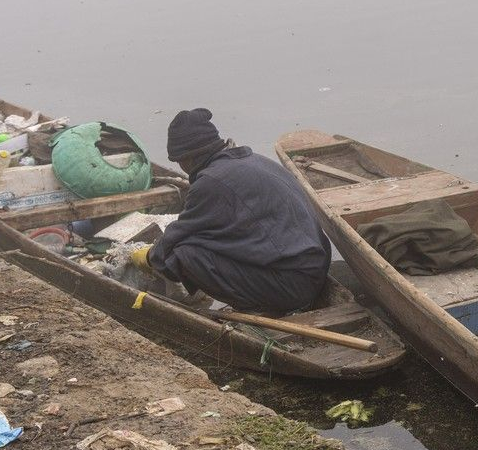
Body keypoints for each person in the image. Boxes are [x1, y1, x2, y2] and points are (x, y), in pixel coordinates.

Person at [130, 109, 331, 315]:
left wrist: (149, 257)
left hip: (292, 286)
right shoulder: (257, 161)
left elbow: (180, 234)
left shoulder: (211, 182)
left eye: (178, 161)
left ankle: (259, 309)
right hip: (315, 271)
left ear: (187, 158)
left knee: (185, 255)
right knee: (199, 243)